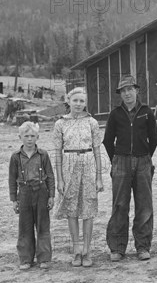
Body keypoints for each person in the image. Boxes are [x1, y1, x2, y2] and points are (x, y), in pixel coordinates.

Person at [103, 75, 157, 261]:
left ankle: (143, 247)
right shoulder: (115, 114)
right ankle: (117, 248)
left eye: (130, 89)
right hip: (121, 162)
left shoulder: (146, 112)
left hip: (143, 161)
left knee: (144, 205)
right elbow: (107, 141)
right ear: (120, 94)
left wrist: (145, 156)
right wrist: (117, 160)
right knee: (120, 205)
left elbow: (155, 139)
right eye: (123, 91)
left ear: (137, 90)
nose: (127, 93)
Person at [53, 87, 104, 267]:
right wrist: (59, 178)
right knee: (72, 209)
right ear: (69, 101)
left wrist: (99, 177)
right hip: (68, 165)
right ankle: (76, 250)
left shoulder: (92, 122)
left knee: (88, 208)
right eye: (75, 100)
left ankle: (87, 250)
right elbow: (57, 153)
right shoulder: (60, 124)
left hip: (88, 163)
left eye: (82, 101)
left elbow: (98, 151)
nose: (79, 104)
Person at [9, 121, 55, 270]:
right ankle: (26, 258)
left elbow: (50, 176)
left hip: (41, 191)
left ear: (38, 137)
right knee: (25, 227)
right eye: (26, 136)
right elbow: (12, 179)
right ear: (20, 137)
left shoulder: (43, 155)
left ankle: (44, 258)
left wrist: (51, 196)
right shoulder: (16, 157)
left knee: (43, 225)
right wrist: (14, 199)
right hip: (24, 192)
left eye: (32, 136)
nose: (29, 139)